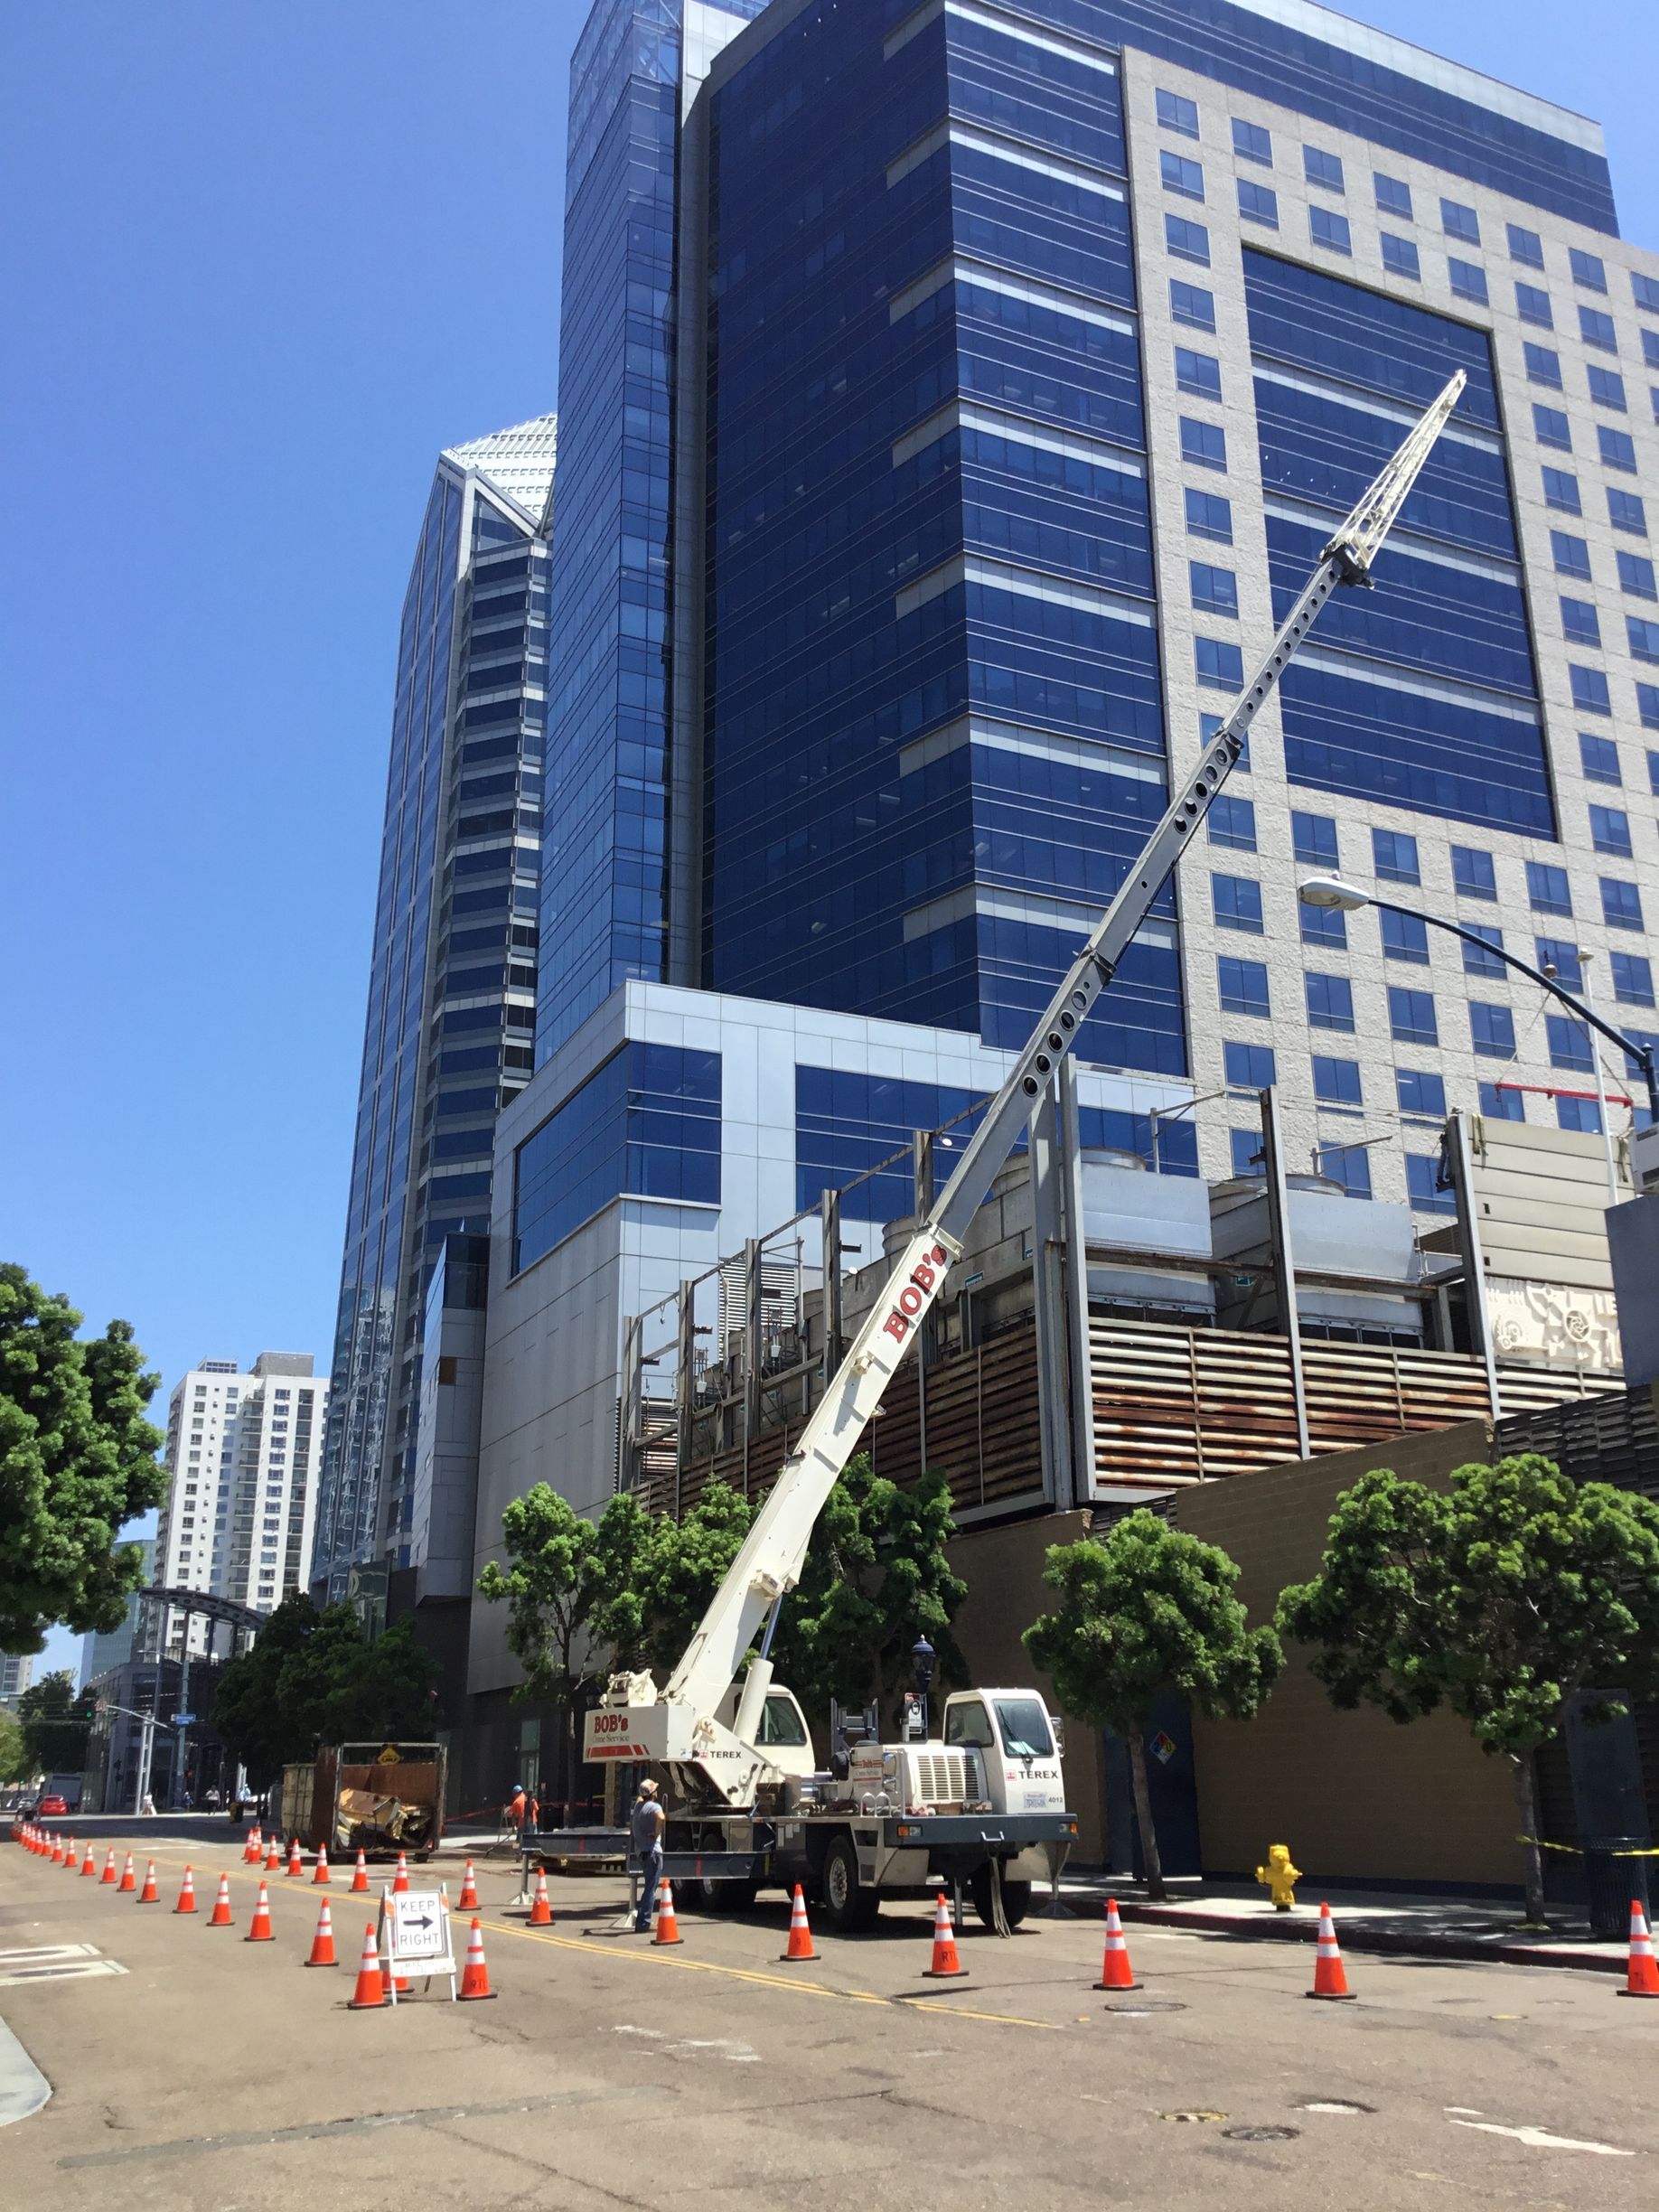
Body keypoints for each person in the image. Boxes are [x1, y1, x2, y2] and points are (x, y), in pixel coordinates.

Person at [631, 1776, 666, 1933]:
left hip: (642, 1852)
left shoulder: (638, 1806)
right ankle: (644, 1922)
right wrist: (657, 1831)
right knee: (650, 1889)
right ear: (653, 1794)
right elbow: (661, 1817)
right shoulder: (654, 1806)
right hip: (653, 1852)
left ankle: (642, 1920)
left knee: (648, 1886)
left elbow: (640, 1798)